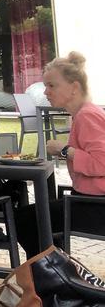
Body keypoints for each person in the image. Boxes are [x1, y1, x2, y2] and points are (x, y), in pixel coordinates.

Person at [15, 52, 105, 257]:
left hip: (96, 206)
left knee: (26, 219)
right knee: (37, 217)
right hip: (88, 201)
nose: (46, 92)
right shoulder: (84, 113)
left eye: (51, 85)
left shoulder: (87, 115)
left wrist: (63, 150)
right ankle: (56, 266)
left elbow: (102, 163)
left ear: (74, 87)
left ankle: (53, 273)